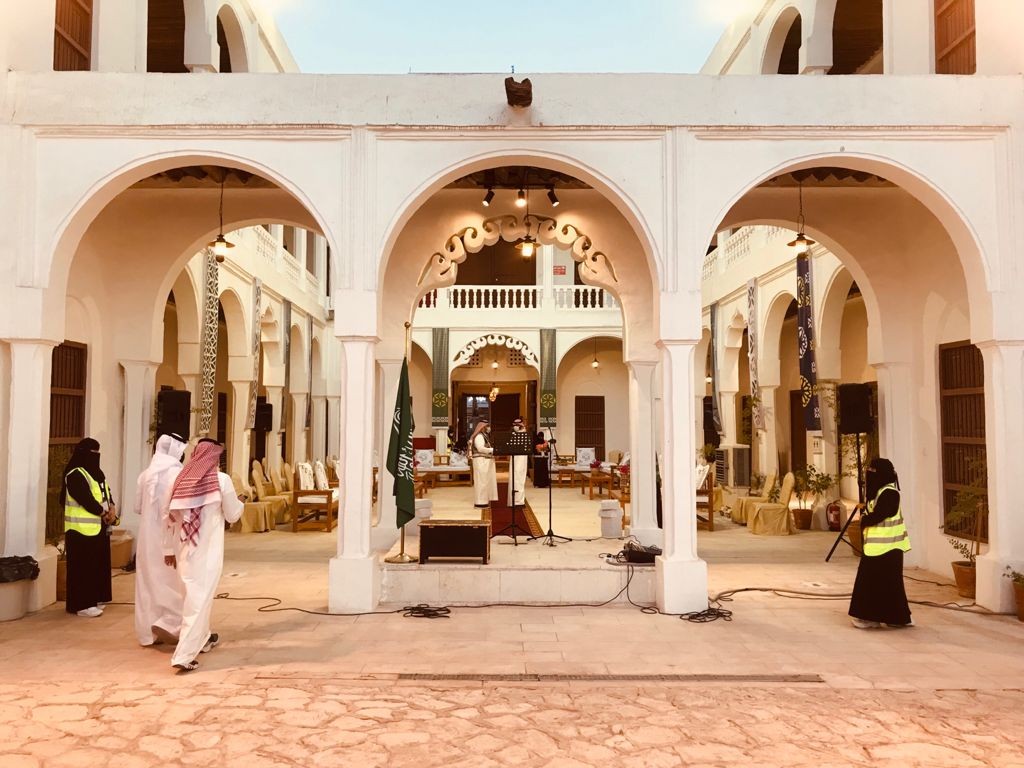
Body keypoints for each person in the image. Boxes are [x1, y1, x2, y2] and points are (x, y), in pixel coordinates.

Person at [165, 439, 243, 672]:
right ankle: (184, 655)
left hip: (183, 550)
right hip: (207, 552)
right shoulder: (221, 480)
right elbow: (233, 515)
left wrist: (167, 549)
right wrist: (242, 503)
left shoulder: (179, 480)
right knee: (198, 601)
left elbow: (167, 518)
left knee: (193, 597)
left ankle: (204, 638)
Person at [133, 433, 187, 647]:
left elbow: (137, 507)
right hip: (170, 536)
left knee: (147, 581)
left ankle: (148, 633)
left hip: (147, 538)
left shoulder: (145, 475)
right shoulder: (179, 474)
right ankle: (173, 625)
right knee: (172, 580)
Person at [848, 458, 913, 629]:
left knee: (880, 584)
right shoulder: (878, 492)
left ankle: (880, 617)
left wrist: (865, 520)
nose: (869, 476)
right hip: (877, 548)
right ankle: (891, 617)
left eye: (872, 472)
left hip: (889, 548)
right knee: (880, 583)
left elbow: (882, 513)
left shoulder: (890, 493)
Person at [62, 438, 117, 618]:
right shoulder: (75, 474)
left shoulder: (96, 473)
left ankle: (95, 598)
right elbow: (85, 499)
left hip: (98, 527)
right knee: (82, 568)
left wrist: (112, 508)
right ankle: (82, 604)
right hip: (79, 530)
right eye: (93, 453)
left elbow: (106, 492)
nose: (96, 456)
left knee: (97, 565)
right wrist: (103, 513)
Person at [469, 418, 497, 509]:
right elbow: (480, 448)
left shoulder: (484, 436)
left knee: (484, 481)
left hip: (484, 462)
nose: (489, 428)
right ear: (482, 427)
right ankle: (480, 503)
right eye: (487, 426)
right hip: (480, 461)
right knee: (481, 482)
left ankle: (484, 501)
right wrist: (492, 450)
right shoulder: (479, 436)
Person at [507, 418, 529, 506]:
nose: (516, 427)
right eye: (515, 425)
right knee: (515, 477)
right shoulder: (512, 434)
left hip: (522, 458)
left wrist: (523, 427)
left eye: (518, 425)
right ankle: (515, 500)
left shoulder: (524, 433)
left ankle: (519, 500)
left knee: (521, 478)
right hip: (515, 458)